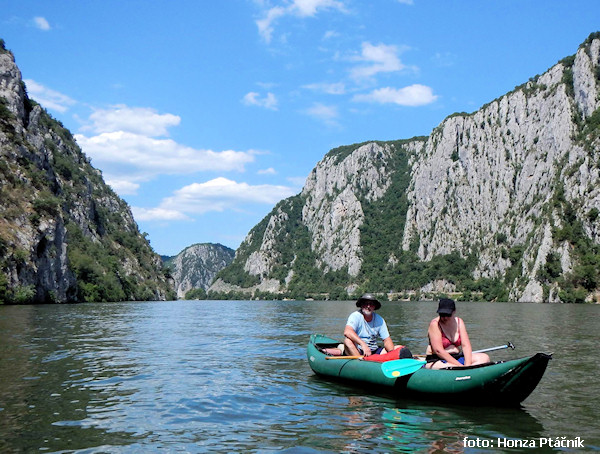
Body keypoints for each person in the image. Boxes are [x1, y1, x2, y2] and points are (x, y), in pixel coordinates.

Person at [425, 298, 490, 369]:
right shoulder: (435, 324)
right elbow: (439, 351)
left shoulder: (459, 322)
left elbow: (466, 346)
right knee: (451, 367)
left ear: (454, 312)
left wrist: (467, 365)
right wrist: (460, 366)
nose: (445, 318)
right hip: (438, 359)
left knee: (485, 358)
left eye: (448, 315)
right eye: (442, 315)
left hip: (457, 357)